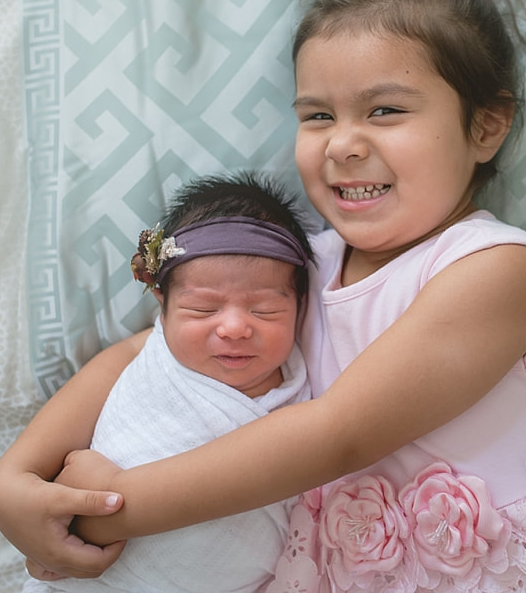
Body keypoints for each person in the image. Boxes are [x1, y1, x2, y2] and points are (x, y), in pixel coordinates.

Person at [0, 0, 526, 592]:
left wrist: (115, 505)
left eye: (385, 110)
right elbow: (140, 352)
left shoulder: (492, 271)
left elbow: (336, 435)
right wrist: (18, 479)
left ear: (486, 126)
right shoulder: (303, 265)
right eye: (316, 117)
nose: (343, 145)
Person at [21, 172, 315, 593]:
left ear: (300, 306)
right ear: (163, 304)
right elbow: (34, 471)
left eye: (265, 310)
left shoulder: (306, 398)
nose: (234, 327)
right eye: (202, 309)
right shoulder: (145, 354)